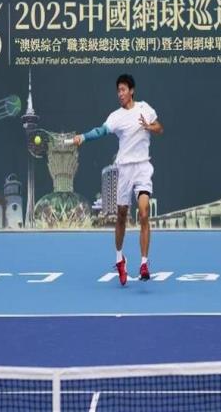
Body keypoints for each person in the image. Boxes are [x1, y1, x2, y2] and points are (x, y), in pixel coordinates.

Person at [73, 74, 163, 285]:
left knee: (144, 212)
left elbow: (160, 128)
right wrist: (83, 137)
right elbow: (101, 131)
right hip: (124, 169)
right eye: (118, 91)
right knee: (122, 215)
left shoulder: (145, 108)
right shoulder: (116, 116)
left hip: (143, 167)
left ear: (132, 91)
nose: (120, 94)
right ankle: (119, 259)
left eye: (123, 90)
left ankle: (144, 263)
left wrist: (150, 127)